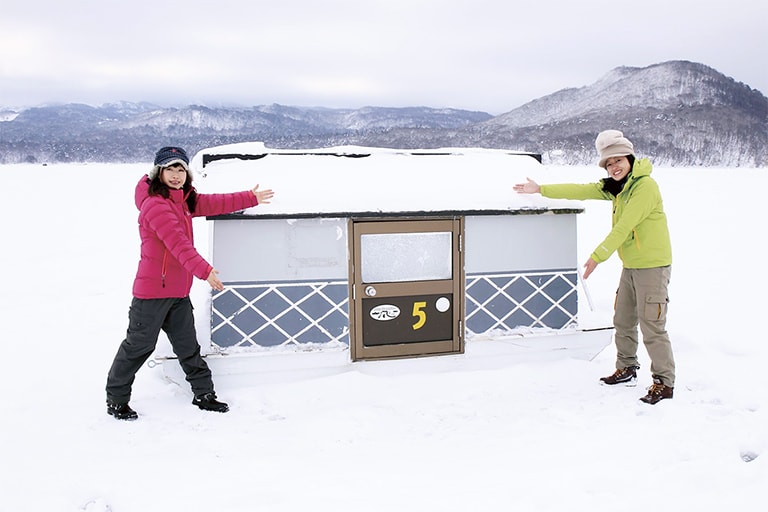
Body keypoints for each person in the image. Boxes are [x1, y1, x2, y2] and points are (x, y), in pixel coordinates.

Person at [106, 146, 275, 420]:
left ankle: (204, 394)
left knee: (188, 347)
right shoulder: (155, 204)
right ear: (158, 172)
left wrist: (250, 197)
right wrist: (204, 270)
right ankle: (116, 399)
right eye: (170, 169)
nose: (176, 175)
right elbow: (177, 243)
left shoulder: (182, 200)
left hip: (177, 294)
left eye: (181, 169)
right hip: (151, 295)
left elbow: (216, 202)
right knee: (137, 348)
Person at [513, 130, 675, 404]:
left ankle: (664, 382)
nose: (613, 167)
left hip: (652, 267)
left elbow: (625, 227)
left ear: (630, 158)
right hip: (632, 266)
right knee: (623, 320)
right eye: (608, 164)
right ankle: (627, 367)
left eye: (618, 161)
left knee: (652, 326)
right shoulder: (618, 188)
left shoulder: (645, 187)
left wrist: (597, 256)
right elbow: (582, 190)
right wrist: (541, 189)